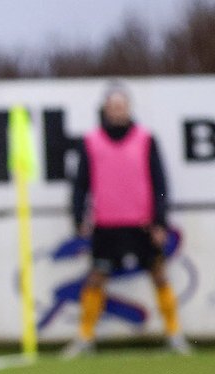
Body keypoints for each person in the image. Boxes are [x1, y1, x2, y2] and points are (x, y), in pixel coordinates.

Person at [63, 84, 191, 358]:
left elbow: (159, 182)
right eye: (113, 107)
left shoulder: (145, 139)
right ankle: (85, 336)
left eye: (121, 106)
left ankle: (174, 333)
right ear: (105, 109)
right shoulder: (91, 142)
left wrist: (159, 221)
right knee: (96, 278)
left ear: (129, 108)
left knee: (159, 274)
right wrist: (78, 216)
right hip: (106, 224)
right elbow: (81, 184)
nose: (117, 111)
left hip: (142, 224)